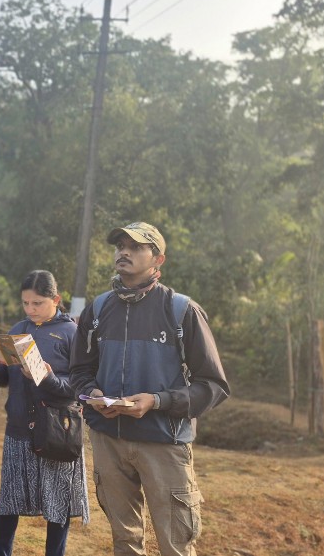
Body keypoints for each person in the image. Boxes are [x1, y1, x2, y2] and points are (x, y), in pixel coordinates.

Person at [69, 222, 230, 556]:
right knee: (125, 543)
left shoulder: (181, 310)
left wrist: (157, 401)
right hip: (108, 440)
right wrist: (93, 395)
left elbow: (213, 385)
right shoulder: (98, 310)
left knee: (176, 544)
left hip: (164, 442)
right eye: (120, 246)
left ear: (158, 259)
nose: (124, 252)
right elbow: (80, 371)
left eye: (136, 247)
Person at [0, 270, 88, 556]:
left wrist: (47, 378)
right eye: (26, 303)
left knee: (58, 505)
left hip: (57, 429)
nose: (30, 309)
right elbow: (7, 379)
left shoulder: (72, 333)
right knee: (9, 502)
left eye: (37, 303)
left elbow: (78, 387)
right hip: (18, 428)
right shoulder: (18, 329)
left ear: (56, 299)